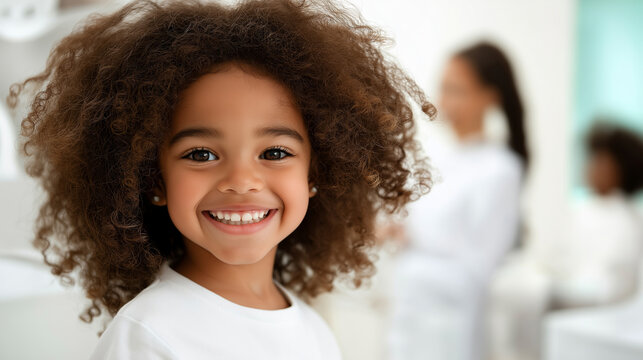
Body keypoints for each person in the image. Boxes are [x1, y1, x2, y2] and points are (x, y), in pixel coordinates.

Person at [8, 1, 435, 358]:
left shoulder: (313, 329)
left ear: (314, 174)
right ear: (152, 178)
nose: (241, 180)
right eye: (201, 154)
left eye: (275, 153)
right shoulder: (149, 334)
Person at [388, 42, 527, 360]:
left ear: (489, 96)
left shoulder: (500, 169)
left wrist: (417, 242)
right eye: (443, 88)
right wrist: (401, 233)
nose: (443, 101)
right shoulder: (438, 157)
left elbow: (479, 268)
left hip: (450, 329)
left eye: (456, 90)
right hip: (410, 318)